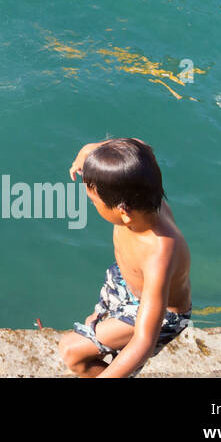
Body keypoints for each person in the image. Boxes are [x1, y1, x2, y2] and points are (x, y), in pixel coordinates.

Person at [58, 138, 192, 378]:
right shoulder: (143, 197)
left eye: (93, 201)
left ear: (124, 212)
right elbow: (141, 147)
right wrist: (88, 150)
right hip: (124, 281)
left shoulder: (159, 252)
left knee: (72, 351)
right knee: (93, 339)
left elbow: (144, 341)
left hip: (160, 314)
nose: (92, 204)